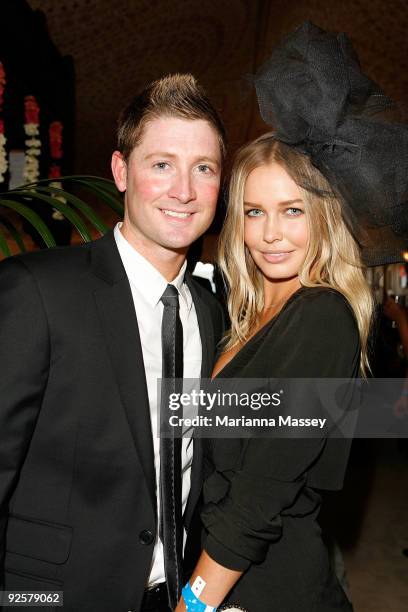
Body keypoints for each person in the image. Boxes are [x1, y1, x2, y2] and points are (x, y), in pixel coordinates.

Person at [177, 22, 407, 612]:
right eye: (254, 211)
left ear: (324, 219)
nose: (270, 234)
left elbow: (258, 497)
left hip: (268, 590)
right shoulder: (246, 311)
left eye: (292, 210)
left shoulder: (323, 316)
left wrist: (194, 603)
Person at [0, 74, 225, 612]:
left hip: (171, 596)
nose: (184, 191)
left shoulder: (214, 310)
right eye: (162, 164)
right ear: (121, 172)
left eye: (204, 169)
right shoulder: (37, 290)